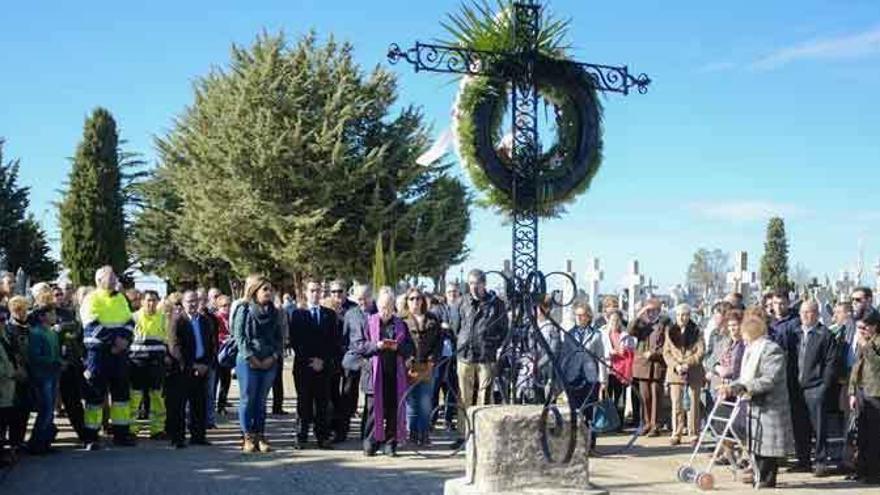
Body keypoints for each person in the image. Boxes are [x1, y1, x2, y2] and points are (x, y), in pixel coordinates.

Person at [720, 315, 794, 488]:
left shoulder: (771, 349)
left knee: (768, 446)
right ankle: (758, 474)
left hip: (770, 405)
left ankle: (767, 479)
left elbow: (769, 379)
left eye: (745, 334)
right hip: (755, 404)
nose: (743, 338)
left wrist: (743, 388)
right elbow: (745, 376)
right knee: (757, 444)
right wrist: (730, 386)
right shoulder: (752, 349)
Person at [80, 266, 137, 450]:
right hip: (99, 354)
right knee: (95, 396)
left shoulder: (120, 298)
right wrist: (114, 341)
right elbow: (91, 325)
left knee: (121, 396)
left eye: (115, 276)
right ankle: (91, 436)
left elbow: (130, 322)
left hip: (119, 355)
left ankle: (121, 434)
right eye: (111, 277)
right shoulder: (91, 298)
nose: (115, 280)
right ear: (99, 280)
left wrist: (125, 340)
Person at [354, 291, 414, 457]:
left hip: (395, 376)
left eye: (388, 307)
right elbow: (359, 346)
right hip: (374, 376)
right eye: (382, 307)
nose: (385, 311)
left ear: (393, 306)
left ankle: (390, 444)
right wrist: (377, 345)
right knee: (374, 412)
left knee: (394, 411)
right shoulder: (368, 322)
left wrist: (398, 348)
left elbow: (410, 348)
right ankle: (371, 442)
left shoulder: (401, 325)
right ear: (377, 306)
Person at [454, 269, 508, 447]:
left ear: (484, 284)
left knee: (485, 395)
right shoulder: (462, 302)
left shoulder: (496, 304)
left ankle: (482, 433)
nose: (474, 287)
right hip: (465, 355)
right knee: (463, 395)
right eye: (470, 283)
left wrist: (491, 344)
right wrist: (463, 342)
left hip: (486, 355)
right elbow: (456, 327)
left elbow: (503, 330)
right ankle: (464, 434)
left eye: (477, 283)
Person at [786, 299, 839, 476]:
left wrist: (824, 385)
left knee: (819, 427)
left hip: (816, 387)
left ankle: (821, 462)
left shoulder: (824, 334)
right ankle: (803, 461)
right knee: (800, 426)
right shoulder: (795, 333)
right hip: (797, 388)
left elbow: (831, 363)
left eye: (810, 312)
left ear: (816, 313)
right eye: (803, 312)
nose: (806, 316)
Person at [234, 275, 284, 454]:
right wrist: (252, 358)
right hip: (248, 361)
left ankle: (260, 435)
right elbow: (239, 337)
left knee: (261, 401)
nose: (268, 293)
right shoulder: (244, 309)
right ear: (255, 291)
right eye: (265, 289)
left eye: (270, 290)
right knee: (248, 399)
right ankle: (247, 436)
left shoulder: (276, 312)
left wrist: (273, 356)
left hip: (269, 360)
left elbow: (280, 338)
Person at [289, 280, 337, 449]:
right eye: (312, 290)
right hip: (303, 366)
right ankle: (301, 436)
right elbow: (295, 341)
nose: (316, 294)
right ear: (306, 293)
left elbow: (333, 342)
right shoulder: (297, 314)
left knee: (323, 403)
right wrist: (310, 360)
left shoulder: (330, 315)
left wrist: (322, 360)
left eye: (318, 291)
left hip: (323, 367)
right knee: (304, 402)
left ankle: (322, 436)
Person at [166, 291, 215, 448]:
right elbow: (174, 347)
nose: (192, 304)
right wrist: (191, 365)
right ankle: (178, 438)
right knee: (179, 406)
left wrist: (206, 364)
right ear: (183, 303)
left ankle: (198, 436)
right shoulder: (177, 321)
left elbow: (211, 345)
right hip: (182, 369)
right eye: (189, 301)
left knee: (199, 404)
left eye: (195, 301)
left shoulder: (205, 321)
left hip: (202, 367)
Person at [402, 288, 442, 446]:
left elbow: (438, 343)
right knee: (411, 403)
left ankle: (424, 434)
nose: (415, 302)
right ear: (407, 301)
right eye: (411, 299)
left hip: (427, 366)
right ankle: (412, 434)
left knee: (425, 402)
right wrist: (407, 360)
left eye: (418, 298)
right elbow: (400, 342)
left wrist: (432, 360)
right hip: (409, 366)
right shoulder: (402, 320)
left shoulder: (433, 319)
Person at [128, 290, 168, 440]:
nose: (151, 303)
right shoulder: (134, 317)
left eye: (154, 300)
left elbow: (167, 340)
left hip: (156, 363)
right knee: (135, 397)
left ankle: (157, 429)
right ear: (142, 302)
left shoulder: (163, 318)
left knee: (157, 396)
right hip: (137, 362)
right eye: (148, 300)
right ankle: (132, 429)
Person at [663, 304, 705, 445]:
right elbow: (666, 352)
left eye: (685, 314)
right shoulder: (670, 331)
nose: (682, 317)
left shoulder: (697, 331)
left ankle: (693, 434)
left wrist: (688, 363)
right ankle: (677, 433)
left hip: (693, 372)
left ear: (689, 315)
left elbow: (700, 351)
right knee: (677, 405)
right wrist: (676, 365)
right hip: (676, 374)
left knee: (693, 405)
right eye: (680, 315)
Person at [846, 310, 880, 485]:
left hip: (875, 393)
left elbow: (876, 364)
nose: (862, 330)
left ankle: (874, 472)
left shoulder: (876, 342)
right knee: (862, 435)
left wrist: (866, 346)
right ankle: (862, 469)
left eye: (865, 327)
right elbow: (855, 368)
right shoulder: (862, 342)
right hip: (861, 392)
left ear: (874, 325)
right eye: (859, 327)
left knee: (874, 436)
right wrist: (852, 391)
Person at [26, 294, 62, 454]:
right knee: (45, 409)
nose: (54, 316)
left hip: (53, 374)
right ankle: (36, 443)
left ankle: (45, 441)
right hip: (42, 376)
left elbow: (56, 353)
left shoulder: (52, 333)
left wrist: (59, 361)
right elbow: (35, 356)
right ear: (42, 316)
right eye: (51, 313)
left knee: (50, 408)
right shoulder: (36, 333)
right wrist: (55, 361)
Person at [628, 297, 667, 436]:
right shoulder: (642, 324)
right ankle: (646, 423)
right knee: (645, 396)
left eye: (654, 310)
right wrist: (640, 314)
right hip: (642, 365)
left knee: (656, 395)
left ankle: (655, 425)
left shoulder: (665, 324)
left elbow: (668, 345)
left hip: (657, 364)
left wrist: (655, 353)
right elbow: (630, 330)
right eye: (649, 310)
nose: (651, 313)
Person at [342, 285, 376, 441]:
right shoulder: (351, 314)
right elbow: (344, 337)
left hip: (371, 360)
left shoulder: (378, 312)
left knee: (370, 398)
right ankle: (343, 430)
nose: (362, 302)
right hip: (353, 359)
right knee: (348, 395)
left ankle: (366, 433)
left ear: (371, 296)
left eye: (365, 298)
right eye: (359, 299)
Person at [431, 283, 461, 433]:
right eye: (449, 292)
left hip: (455, 356)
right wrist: (441, 327)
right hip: (439, 356)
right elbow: (431, 326)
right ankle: (432, 419)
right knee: (434, 388)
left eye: (455, 292)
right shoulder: (438, 310)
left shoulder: (462, 308)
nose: (452, 294)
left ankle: (449, 420)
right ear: (445, 294)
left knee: (451, 389)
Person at [328, 280, 355, 442]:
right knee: (331, 394)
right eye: (333, 292)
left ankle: (343, 429)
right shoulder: (326, 308)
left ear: (346, 292)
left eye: (340, 291)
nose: (337, 295)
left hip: (349, 357)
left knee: (347, 394)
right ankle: (332, 427)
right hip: (332, 358)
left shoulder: (353, 309)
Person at [601, 310, 634, 431]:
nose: (615, 322)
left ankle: (619, 424)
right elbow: (600, 351)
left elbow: (631, 352)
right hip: (608, 369)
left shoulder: (625, 335)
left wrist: (625, 351)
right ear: (608, 321)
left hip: (622, 371)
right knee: (607, 397)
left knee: (620, 398)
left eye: (617, 320)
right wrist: (610, 353)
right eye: (612, 320)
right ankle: (608, 423)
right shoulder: (603, 333)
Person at [4, 296, 30, 452]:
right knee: (16, 410)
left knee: (24, 409)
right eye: (19, 310)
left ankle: (19, 441)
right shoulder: (9, 328)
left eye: (24, 310)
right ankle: (14, 442)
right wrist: (18, 368)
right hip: (16, 374)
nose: (22, 313)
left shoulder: (28, 326)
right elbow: (13, 351)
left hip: (28, 372)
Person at [213, 295, 233, 416]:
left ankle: (222, 404)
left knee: (226, 381)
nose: (226, 308)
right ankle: (212, 405)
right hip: (218, 352)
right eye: (223, 306)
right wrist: (225, 338)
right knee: (215, 381)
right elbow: (216, 334)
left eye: (228, 305)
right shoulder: (216, 318)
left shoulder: (231, 318)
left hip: (228, 354)